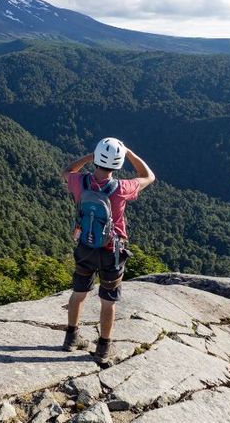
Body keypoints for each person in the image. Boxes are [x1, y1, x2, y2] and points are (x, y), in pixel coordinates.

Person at [60, 137, 155, 365]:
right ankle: (103, 347)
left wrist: (89, 157)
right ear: (119, 163)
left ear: (96, 159)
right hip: (112, 250)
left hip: (85, 245)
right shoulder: (122, 188)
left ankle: (70, 338)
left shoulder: (79, 182)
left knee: (78, 293)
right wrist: (130, 154)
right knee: (108, 300)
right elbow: (149, 177)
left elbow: (67, 171)